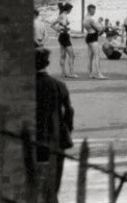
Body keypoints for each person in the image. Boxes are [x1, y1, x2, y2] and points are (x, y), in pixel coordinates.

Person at [35, 48, 74, 201]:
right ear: (48, 63)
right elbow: (68, 112)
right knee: (54, 181)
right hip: (56, 136)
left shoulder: (30, 85)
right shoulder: (58, 85)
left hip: (36, 137)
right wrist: (67, 130)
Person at [51, 3, 76, 78]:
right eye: (71, 10)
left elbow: (52, 25)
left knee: (63, 55)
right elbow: (64, 26)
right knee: (72, 55)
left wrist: (58, 30)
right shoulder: (64, 16)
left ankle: (63, 73)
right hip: (65, 36)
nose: (71, 11)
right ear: (68, 9)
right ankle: (72, 73)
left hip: (61, 36)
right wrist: (65, 28)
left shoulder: (60, 15)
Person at [83, 4, 106, 79]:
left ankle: (91, 74)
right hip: (93, 37)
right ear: (90, 10)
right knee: (97, 55)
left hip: (89, 36)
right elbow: (99, 29)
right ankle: (99, 73)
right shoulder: (90, 19)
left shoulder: (85, 18)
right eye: (94, 10)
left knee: (90, 56)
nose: (94, 11)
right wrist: (103, 26)